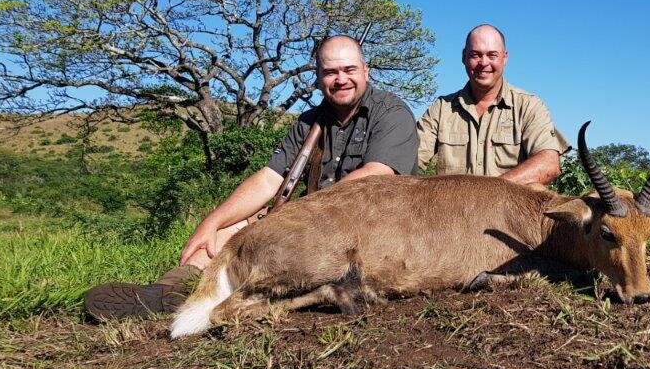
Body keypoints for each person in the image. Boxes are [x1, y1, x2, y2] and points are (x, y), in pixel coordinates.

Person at [85, 35, 419, 320]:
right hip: (313, 219)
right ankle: (169, 290)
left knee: (278, 245)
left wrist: (298, 217)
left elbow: (376, 177)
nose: (340, 79)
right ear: (318, 77)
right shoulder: (309, 121)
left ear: (366, 71)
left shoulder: (391, 112)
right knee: (226, 233)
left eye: (349, 70)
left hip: (370, 227)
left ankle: (227, 292)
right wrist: (211, 222)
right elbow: (270, 178)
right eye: (330, 72)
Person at [416, 24, 569, 184]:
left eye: (492, 55)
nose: (483, 63)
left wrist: (490, 193)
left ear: (505, 57)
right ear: (463, 57)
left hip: (509, 208)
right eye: (475, 55)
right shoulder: (441, 108)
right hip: (450, 208)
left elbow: (549, 164)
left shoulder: (529, 106)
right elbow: (407, 159)